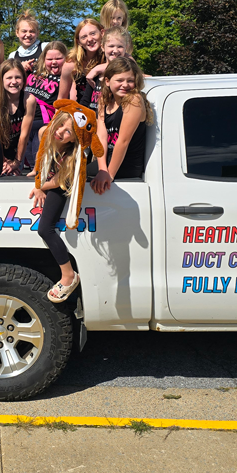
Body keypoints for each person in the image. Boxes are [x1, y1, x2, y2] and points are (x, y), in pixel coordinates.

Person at [29, 103, 103, 303]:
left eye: (68, 131)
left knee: (45, 229)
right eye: (60, 125)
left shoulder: (74, 157)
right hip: (50, 178)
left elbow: (60, 181)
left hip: (61, 184)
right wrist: (38, 177)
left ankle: (69, 275)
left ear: (75, 137)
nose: (61, 132)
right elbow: (41, 159)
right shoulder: (47, 133)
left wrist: (40, 186)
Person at [92, 57, 153, 192]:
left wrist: (109, 175)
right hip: (107, 163)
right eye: (119, 80)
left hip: (126, 165)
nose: (125, 85)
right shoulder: (105, 100)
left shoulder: (133, 100)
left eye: (130, 80)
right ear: (107, 81)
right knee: (66, 175)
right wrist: (102, 169)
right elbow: (101, 136)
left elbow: (123, 141)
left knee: (69, 180)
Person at [0, 59, 37, 176]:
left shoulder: (28, 100)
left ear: (24, 79)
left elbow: (24, 135)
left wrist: (16, 162)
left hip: (16, 152)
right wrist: (4, 161)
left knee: (14, 175)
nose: (14, 82)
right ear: (1, 80)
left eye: (18, 77)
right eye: (9, 78)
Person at [23, 41, 68, 170]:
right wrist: (22, 67)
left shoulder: (66, 77)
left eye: (58, 58)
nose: (54, 62)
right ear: (43, 59)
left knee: (37, 163)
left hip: (43, 121)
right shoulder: (34, 71)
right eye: (49, 59)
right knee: (24, 159)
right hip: (25, 118)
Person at [77, 26, 132, 110]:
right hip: (91, 119)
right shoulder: (96, 74)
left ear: (126, 47)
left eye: (120, 47)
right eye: (111, 46)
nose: (116, 50)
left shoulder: (127, 73)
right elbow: (85, 102)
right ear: (102, 47)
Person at [59, 19, 105, 109]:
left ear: (102, 33)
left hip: (108, 113)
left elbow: (129, 64)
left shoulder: (111, 56)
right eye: (84, 37)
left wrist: (98, 68)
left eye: (93, 33)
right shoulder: (71, 64)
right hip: (82, 114)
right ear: (79, 42)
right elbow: (61, 99)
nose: (89, 39)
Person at [6, 10, 47, 75]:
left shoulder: (45, 48)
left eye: (32, 31)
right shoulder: (13, 56)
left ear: (37, 33)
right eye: (24, 31)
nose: (28, 35)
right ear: (17, 33)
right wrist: (19, 68)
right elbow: (8, 76)